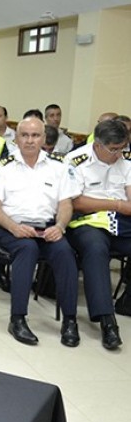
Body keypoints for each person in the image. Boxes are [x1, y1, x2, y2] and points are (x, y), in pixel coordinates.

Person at [0, 117, 81, 346]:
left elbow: (66, 204)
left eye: (35, 135)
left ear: (44, 138)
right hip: (8, 227)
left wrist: (60, 226)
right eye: (24, 135)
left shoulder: (59, 167)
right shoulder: (3, 166)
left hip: (46, 228)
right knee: (27, 249)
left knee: (65, 252)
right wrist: (14, 227)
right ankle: (17, 319)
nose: (30, 140)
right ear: (16, 139)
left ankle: (70, 320)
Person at [65, 119, 129, 350]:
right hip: (86, 222)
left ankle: (127, 301)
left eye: (122, 148)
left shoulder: (126, 160)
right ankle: (107, 321)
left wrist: (120, 207)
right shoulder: (75, 160)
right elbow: (77, 202)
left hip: (120, 223)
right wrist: (117, 204)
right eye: (113, 149)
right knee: (95, 248)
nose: (118, 154)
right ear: (98, 145)